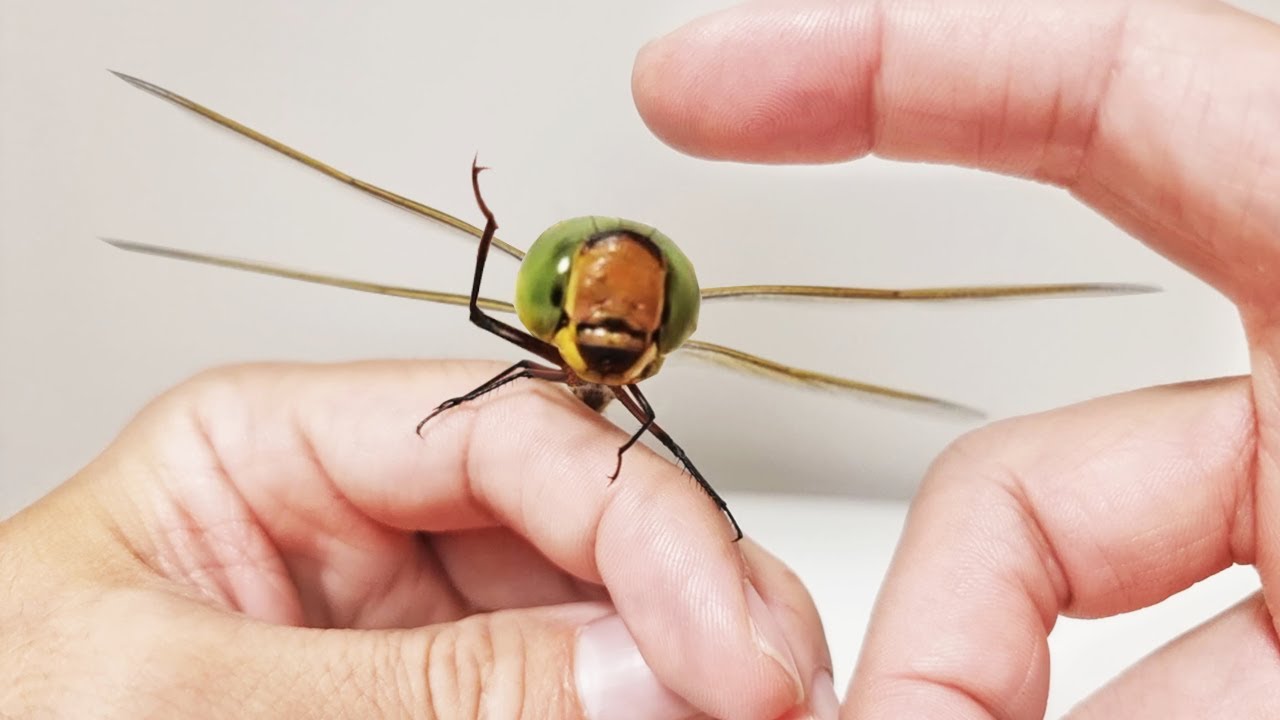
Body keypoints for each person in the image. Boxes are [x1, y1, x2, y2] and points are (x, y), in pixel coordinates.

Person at [3, 0, 1276, 717]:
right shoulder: (549, 354)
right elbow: (491, 335)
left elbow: (493, 336)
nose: (607, 358)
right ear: (566, 312)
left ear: (650, 325)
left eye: (628, 339)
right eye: (593, 335)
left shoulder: (572, 359)